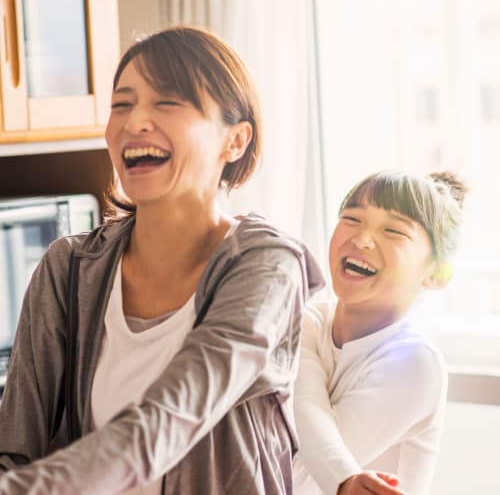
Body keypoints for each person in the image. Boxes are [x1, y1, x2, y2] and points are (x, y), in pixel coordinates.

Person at [0, 26, 324, 494]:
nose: (134, 123)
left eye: (167, 102)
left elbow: (166, 421)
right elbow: (15, 447)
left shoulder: (266, 266)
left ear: (234, 141)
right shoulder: (68, 268)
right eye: (122, 104)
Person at [293, 170, 467, 495]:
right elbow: (304, 405)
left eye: (393, 230)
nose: (362, 239)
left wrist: (341, 477)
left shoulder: (415, 364)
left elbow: (295, 479)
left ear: (437, 275)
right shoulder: (311, 320)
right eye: (352, 219)